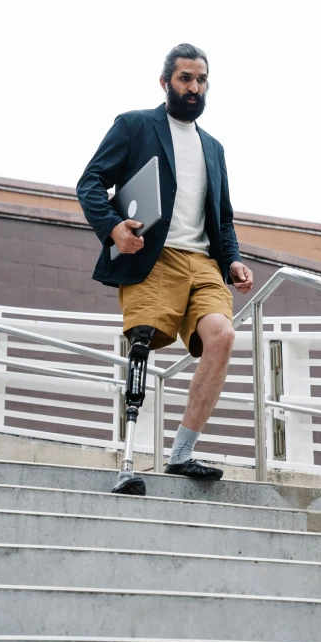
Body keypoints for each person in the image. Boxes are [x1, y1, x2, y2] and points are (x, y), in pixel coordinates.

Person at [77, 43, 253, 495]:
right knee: (141, 344)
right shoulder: (135, 125)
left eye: (201, 80)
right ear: (165, 83)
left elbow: (223, 217)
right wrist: (114, 228)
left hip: (203, 265)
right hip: (153, 257)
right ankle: (128, 459)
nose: (194, 88)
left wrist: (231, 258)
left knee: (223, 336)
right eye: (185, 79)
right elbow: (91, 182)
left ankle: (181, 453)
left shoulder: (213, 148)